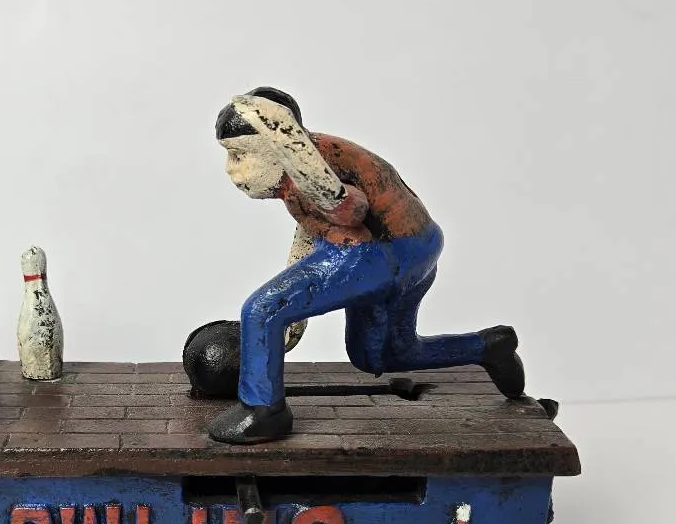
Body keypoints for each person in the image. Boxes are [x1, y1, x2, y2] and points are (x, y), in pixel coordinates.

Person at [208, 87, 524, 444]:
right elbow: (312, 228)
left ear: (279, 143)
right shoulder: (300, 169)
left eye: (239, 154)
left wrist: (289, 140)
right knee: (380, 355)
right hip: (417, 250)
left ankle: (264, 412)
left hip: (380, 252)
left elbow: (351, 211)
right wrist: (296, 318)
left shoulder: (307, 162)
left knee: (262, 309)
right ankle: (488, 347)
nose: (231, 169)